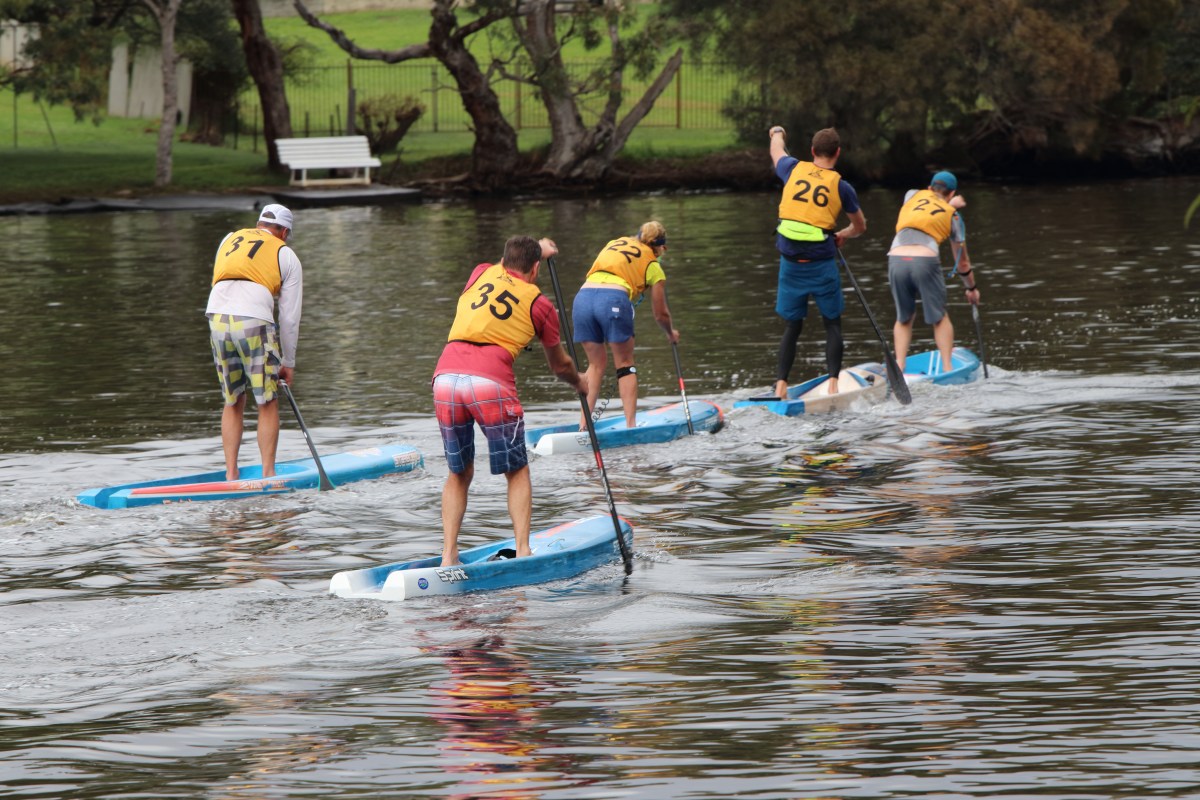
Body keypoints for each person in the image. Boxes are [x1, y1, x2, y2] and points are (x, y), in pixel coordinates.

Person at [433, 235, 587, 567]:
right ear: (536, 269)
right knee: (516, 471)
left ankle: (448, 557)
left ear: (503, 261)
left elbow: (510, 261)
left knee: (459, 473)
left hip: (445, 378)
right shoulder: (540, 305)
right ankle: (523, 551)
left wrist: (537, 250)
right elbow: (560, 365)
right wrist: (580, 382)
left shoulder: (481, 272)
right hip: (489, 383)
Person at [768, 125, 867, 399]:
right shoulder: (842, 187)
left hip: (790, 265)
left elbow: (776, 150)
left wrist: (777, 133)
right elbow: (860, 226)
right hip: (822, 266)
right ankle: (833, 385)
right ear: (838, 153)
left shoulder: (791, 168)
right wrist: (843, 234)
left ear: (812, 151)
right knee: (832, 323)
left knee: (792, 326)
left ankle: (780, 387)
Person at [206, 203, 302, 480]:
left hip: (217, 317)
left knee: (232, 399)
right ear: (284, 232)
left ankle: (231, 474)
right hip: (253, 319)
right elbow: (289, 317)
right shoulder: (285, 253)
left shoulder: (229, 239)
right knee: (267, 400)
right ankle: (268, 475)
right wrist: (288, 362)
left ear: (259, 224)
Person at [571, 221, 679, 429]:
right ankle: (631, 426)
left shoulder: (616, 242)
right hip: (613, 301)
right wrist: (670, 333)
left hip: (582, 299)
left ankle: (583, 426)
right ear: (659, 247)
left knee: (595, 365)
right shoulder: (653, 265)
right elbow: (661, 314)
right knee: (625, 364)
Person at [886, 170, 979, 372]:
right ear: (952, 193)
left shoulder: (911, 194)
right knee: (939, 318)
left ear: (929, 188)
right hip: (925, 260)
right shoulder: (954, 217)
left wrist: (950, 204)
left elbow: (927, 208)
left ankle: (899, 366)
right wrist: (971, 288)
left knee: (903, 318)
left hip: (895, 258)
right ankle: (947, 368)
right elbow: (962, 264)